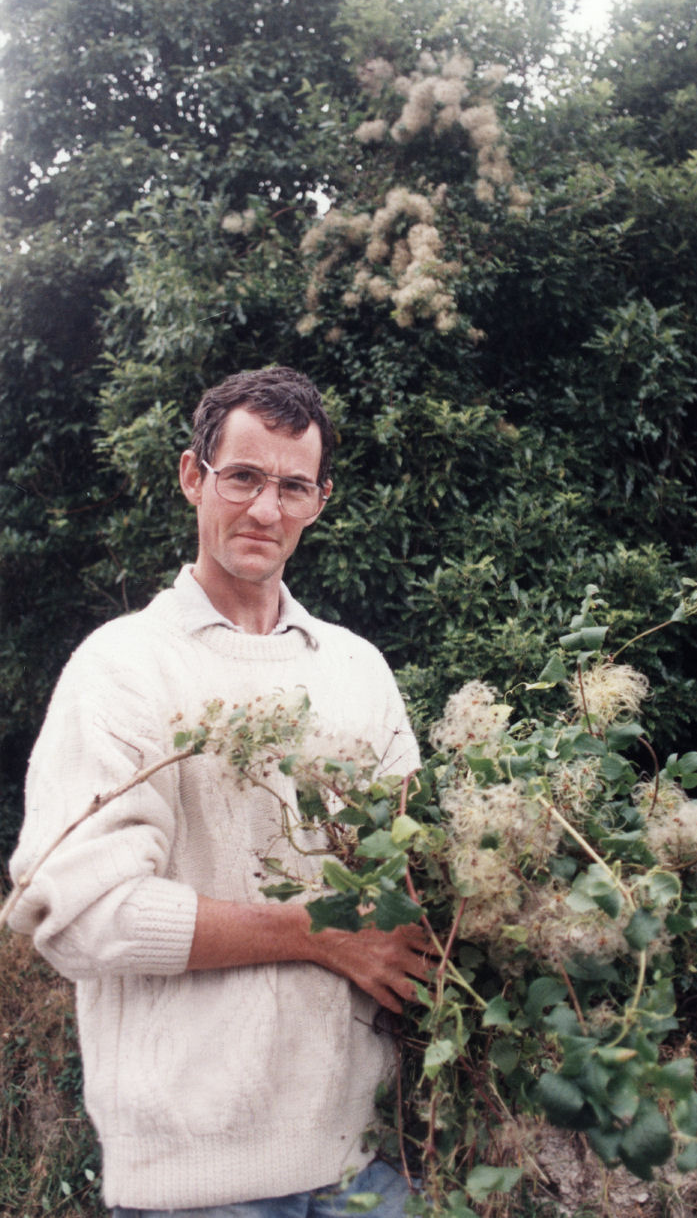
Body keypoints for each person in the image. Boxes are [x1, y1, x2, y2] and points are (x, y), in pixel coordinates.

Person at [8, 367, 433, 1218]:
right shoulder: (123, 667)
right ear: (192, 476)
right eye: (242, 476)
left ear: (320, 500)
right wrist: (320, 933)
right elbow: (77, 914)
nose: (266, 510)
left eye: (292, 485)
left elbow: (408, 884)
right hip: (198, 1186)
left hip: (363, 1169)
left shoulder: (358, 669)